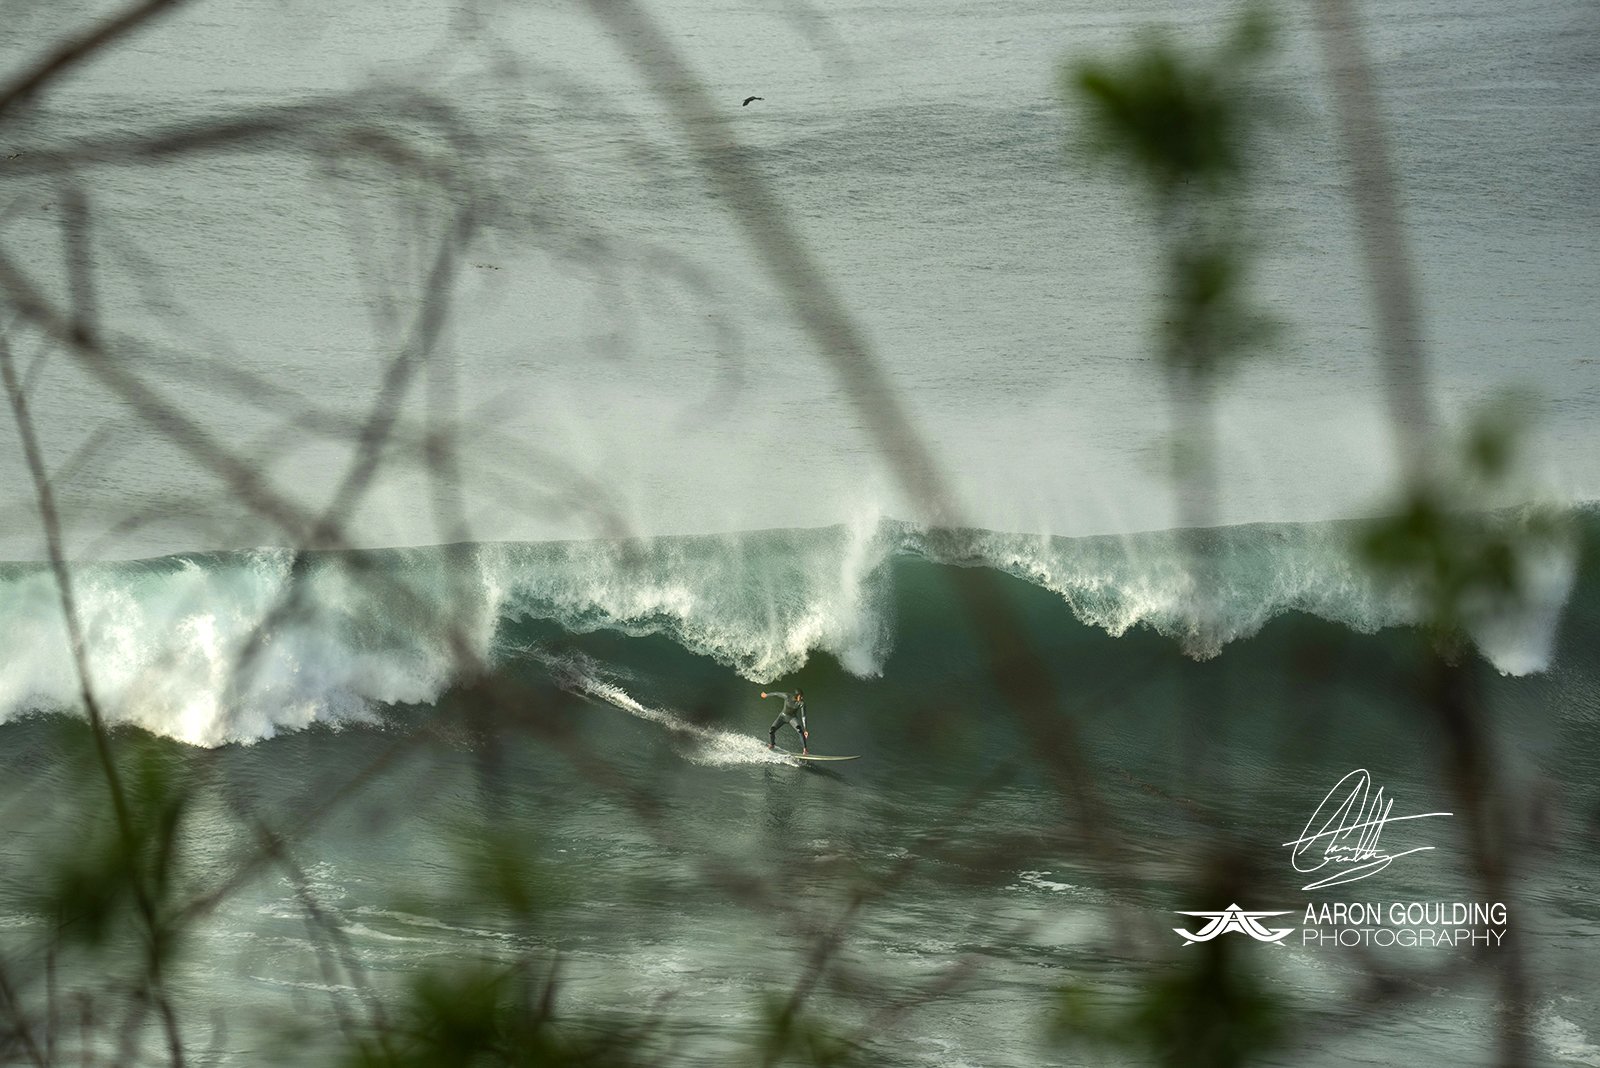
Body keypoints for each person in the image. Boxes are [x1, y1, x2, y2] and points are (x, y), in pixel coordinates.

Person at [760, 688, 808, 754]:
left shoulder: (801, 703)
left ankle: (805, 750)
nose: (802, 697)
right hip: (782, 717)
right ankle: (772, 744)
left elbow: (803, 716)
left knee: (800, 731)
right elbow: (776, 693)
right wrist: (766, 695)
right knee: (771, 730)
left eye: (802, 696)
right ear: (796, 695)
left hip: (792, 718)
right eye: (800, 696)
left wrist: (805, 729)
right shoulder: (787, 696)